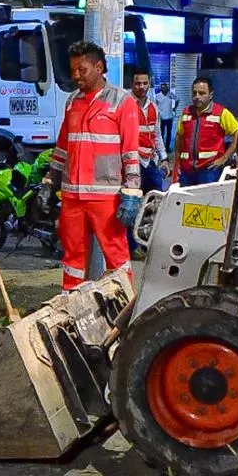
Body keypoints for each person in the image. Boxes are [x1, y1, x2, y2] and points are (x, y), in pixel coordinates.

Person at [38, 41, 141, 290]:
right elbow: (62, 147)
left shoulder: (121, 101)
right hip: (72, 195)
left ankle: (123, 311)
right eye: (73, 70)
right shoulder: (73, 101)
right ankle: (69, 309)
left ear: (99, 67)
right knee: (72, 259)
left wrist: (132, 193)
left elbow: (130, 153)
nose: (76, 76)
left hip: (106, 197)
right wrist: (49, 182)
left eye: (81, 70)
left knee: (116, 258)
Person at [172, 74, 238, 187]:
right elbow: (179, 137)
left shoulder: (221, 113)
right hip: (186, 171)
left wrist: (224, 158)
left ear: (211, 95)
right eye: (194, 93)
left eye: (202, 93)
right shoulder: (186, 112)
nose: (197, 96)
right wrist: (177, 161)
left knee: (207, 203)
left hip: (209, 171)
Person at [130, 70, 170, 193]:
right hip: (133, 161)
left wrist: (164, 158)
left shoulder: (153, 106)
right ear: (132, 84)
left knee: (156, 199)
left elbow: (157, 135)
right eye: (138, 83)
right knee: (133, 201)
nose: (142, 87)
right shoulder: (125, 105)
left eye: (145, 83)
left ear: (149, 84)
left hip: (151, 161)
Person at [154, 81, 178, 153]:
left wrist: (175, 108)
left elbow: (177, 100)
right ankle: (161, 149)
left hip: (169, 117)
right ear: (161, 89)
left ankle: (167, 148)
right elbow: (155, 105)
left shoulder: (170, 95)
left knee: (169, 134)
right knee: (161, 134)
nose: (164, 89)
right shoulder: (158, 96)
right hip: (161, 118)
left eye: (166, 87)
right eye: (163, 88)